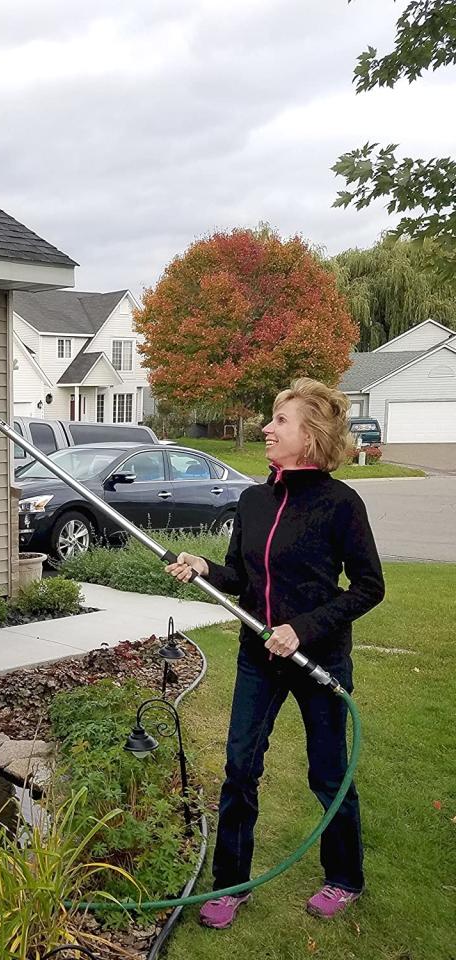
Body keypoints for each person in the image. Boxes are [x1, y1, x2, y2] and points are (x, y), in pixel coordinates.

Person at [166, 378, 384, 929]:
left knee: (329, 774)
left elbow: (368, 586)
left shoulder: (341, 504)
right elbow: (241, 575)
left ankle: (344, 878)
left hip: (319, 660)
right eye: (272, 419)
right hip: (257, 655)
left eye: (280, 421)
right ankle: (231, 885)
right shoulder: (254, 499)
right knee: (240, 768)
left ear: (310, 436)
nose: (267, 427)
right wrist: (204, 567)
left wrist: (302, 629)